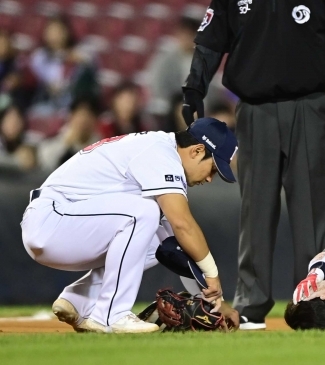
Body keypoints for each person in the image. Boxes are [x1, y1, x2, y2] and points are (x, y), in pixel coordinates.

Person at [182, 0, 325, 329]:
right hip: (254, 108)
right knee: (255, 209)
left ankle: (315, 300)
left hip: (310, 104)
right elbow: (211, 39)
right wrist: (194, 88)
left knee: (312, 211)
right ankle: (250, 304)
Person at [21, 118, 239, 333]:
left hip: (66, 223)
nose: (210, 178)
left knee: (155, 242)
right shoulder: (160, 152)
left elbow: (176, 247)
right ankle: (111, 315)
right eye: (212, 169)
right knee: (143, 213)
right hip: (53, 218)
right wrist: (212, 272)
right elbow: (183, 223)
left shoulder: (159, 154)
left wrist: (217, 302)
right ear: (197, 151)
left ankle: (79, 299)